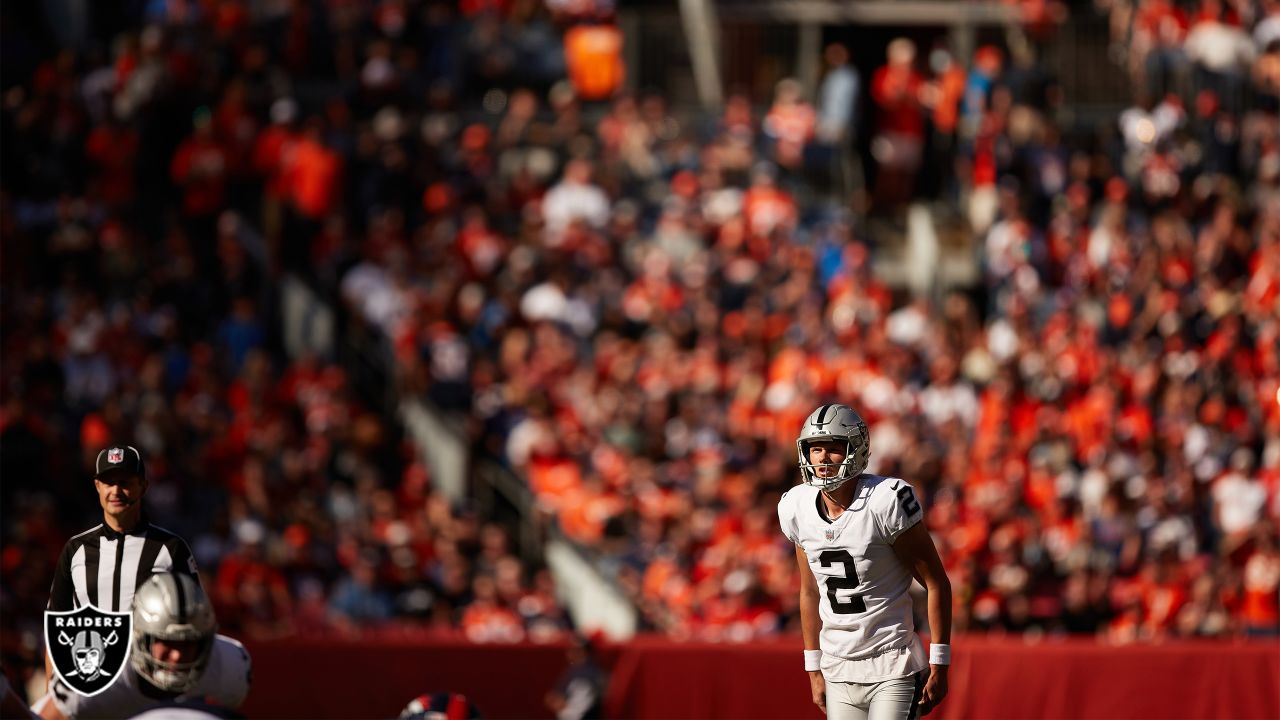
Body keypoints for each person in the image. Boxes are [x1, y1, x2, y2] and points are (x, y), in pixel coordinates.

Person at [778, 404, 952, 719]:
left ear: (856, 449)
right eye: (815, 448)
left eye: (833, 448)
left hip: (891, 662)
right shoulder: (796, 506)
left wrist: (940, 661)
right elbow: (809, 591)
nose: (822, 458)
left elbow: (936, 582)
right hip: (837, 665)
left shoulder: (886, 500)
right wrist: (813, 667)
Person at [45, 446, 201, 689]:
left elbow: (194, 625)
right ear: (97, 486)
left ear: (143, 486)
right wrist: (53, 693)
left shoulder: (171, 548)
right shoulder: (76, 549)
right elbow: (55, 628)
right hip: (87, 686)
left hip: (149, 688)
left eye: (125, 482)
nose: (115, 490)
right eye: (108, 482)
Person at [35, 573, 251, 720]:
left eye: (188, 643)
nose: (176, 655)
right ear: (139, 637)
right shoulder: (96, 675)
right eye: (166, 641)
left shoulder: (229, 667)